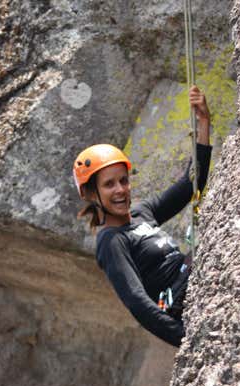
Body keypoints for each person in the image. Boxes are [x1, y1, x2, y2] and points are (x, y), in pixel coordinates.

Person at [73, 86, 212, 347]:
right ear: (91, 194)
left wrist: (204, 122)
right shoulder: (111, 243)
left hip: (188, 276)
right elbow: (137, 301)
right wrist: (187, 340)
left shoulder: (141, 213)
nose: (120, 190)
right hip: (180, 297)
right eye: (109, 184)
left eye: (123, 181)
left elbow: (192, 184)